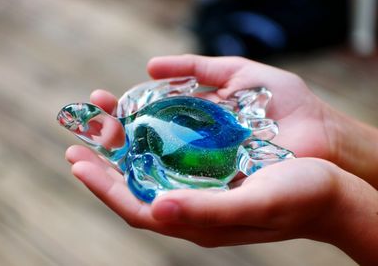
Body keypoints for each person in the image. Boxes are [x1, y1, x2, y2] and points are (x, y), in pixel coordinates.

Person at [65, 55, 378, 265]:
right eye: (89, 131)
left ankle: (244, 150)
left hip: (228, 130)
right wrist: (336, 134)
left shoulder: (138, 120)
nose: (95, 130)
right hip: (225, 133)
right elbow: (157, 183)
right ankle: (244, 151)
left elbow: (152, 184)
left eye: (93, 124)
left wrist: (340, 209)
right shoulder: (139, 138)